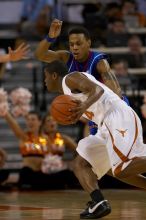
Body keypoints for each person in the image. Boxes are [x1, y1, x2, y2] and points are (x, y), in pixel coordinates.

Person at [44, 60, 146, 219]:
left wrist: (83, 107)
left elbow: (97, 90)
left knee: (122, 168)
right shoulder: (68, 93)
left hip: (117, 116)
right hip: (105, 125)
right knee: (81, 162)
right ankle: (99, 203)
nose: (44, 81)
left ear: (54, 75)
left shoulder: (70, 79)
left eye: (45, 77)